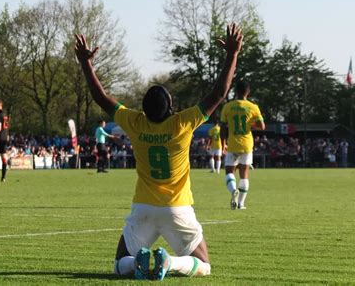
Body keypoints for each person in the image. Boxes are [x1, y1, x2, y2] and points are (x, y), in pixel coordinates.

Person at [75, 23, 243, 280]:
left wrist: (86, 63)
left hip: (143, 207)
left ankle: (139, 263)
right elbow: (219, 93)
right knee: (204, 265)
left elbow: (101, 97)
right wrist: (232, 55)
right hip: (178, 207)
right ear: (171, 107)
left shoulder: (135, 122)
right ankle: (171, 262)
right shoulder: (182, 123)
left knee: (120, 263)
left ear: (144, 109)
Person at [220, 81, 265, 210]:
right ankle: (241, 204)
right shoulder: (253, 107)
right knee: (244, 174)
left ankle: (233, 190)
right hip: (246, 144)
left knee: (229, 172)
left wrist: (223, 144)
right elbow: (262, 126)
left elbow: (223, 127)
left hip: (233, 144)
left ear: (236, 91)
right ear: (248, 92)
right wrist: (250, 124)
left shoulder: (227, 107)